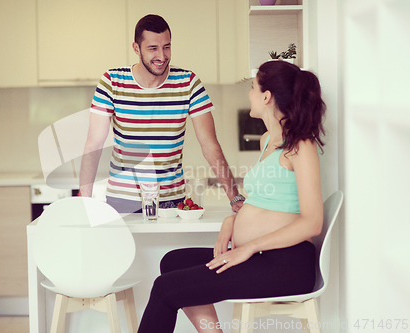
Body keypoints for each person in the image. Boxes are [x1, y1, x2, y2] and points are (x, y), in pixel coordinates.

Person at [137, 60, 327, 333]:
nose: (249, 94)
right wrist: (231, 221)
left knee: (166, 289)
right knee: (172, 261)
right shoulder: (266, 142)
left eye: (252, 88)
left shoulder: (301, 146)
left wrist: (248, 246)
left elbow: (312, 222)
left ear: (266, 96)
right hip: (264, 256)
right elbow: (267, 200)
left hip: (287, 264)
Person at [79, 14, 244, 213]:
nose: (162, 56)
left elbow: (209, 143)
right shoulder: (112, 82)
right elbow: (94, 144)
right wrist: (84, 203)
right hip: (123, 200)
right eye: (153, 48)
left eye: (166, 47)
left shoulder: (188, 83)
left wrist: (234, 196)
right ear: (136, 48)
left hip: (171, 201)